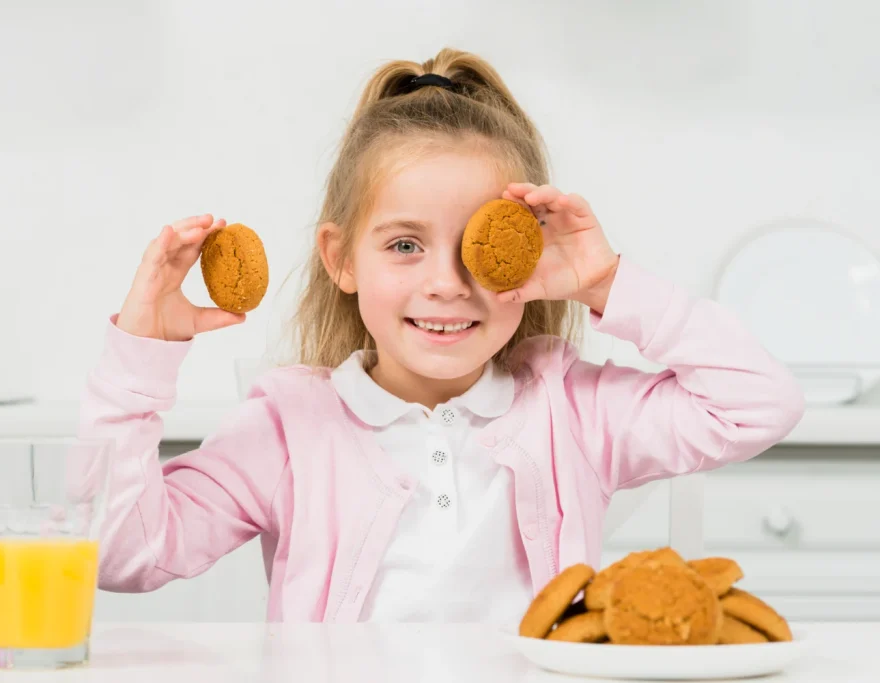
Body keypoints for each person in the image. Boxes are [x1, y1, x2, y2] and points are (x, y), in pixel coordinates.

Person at [78, 48, 804, 625]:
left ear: (523, 252)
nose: (449, 282)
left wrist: (608, 283)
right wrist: (143, 354)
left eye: (477, 247)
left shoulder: (571, 410)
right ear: (340, 258)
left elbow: (760, 404)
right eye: (403, 245)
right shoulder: (290, 426)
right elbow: (120, 553)